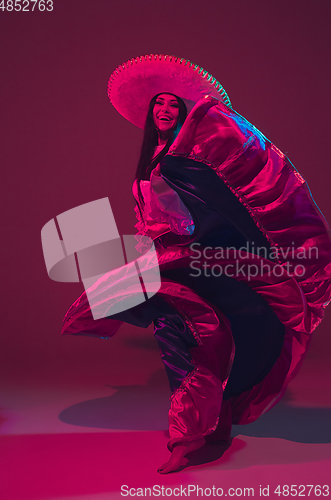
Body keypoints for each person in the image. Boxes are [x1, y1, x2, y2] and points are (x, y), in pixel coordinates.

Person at [62, 54, 331, 474]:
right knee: (181, 337)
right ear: (150, 112)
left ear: (184, 112)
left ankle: (191, 436)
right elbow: (151, 215)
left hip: (194, 260)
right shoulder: (158, 156)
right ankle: (201, 430)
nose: (166, 110)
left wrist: (189, 245)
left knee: (193, 338)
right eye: (159, 104)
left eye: (174, 105)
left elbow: (212, 213)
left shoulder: (186, 162)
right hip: (166, 260)